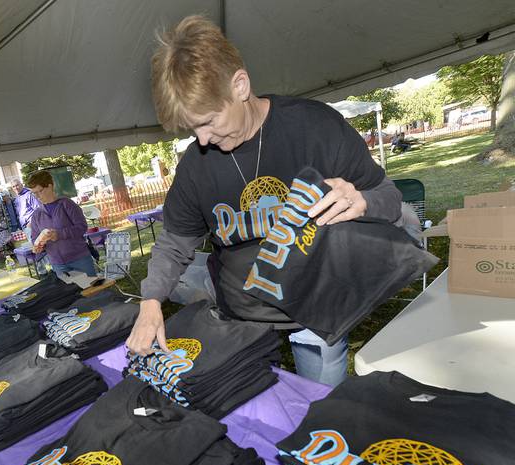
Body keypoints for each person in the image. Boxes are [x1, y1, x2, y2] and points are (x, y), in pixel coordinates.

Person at [126, 16, 402, 386]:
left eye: (208, 121)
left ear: (240, 85)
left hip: (319, 310)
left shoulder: (316, 127)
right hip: (242, 316)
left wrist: (363, 201)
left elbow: (390, 199)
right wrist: (150, 302)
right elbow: (175, 243)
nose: (203, 140)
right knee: (250, 415)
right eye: (193, 129)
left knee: (321, 408)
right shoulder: (195, 165)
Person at [27, 170, 98, 277]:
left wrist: (59, 234)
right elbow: (34, 237)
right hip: (57, 263)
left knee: (92, 291)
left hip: (79, 258)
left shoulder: (67, 204)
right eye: (34, 193)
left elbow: (82, 227)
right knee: (69, 293)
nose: (37, 196)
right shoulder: (37, 215)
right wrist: (39, 246)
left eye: (39, 191)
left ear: (50, 186)